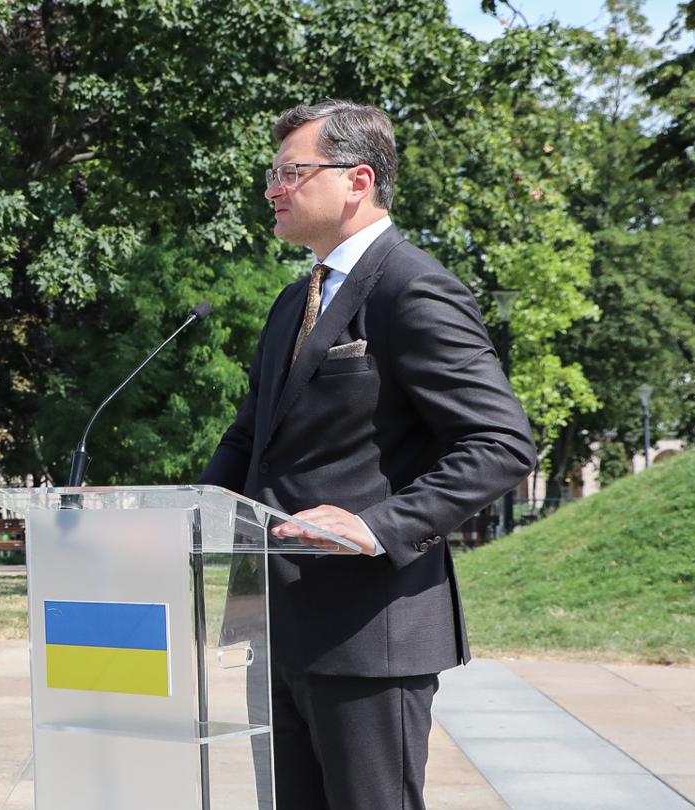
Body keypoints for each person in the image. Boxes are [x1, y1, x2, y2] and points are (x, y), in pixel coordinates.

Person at [198, 100, 534, 808]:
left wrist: (379, 526)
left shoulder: (413, 287)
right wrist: (182, 519)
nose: (272, 188)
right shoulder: (295, 299)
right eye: (272, 172)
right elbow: (249, 436)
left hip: (368, 634)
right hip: (277, 627)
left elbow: (501, 442)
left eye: (290, 171)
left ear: (356, 180)